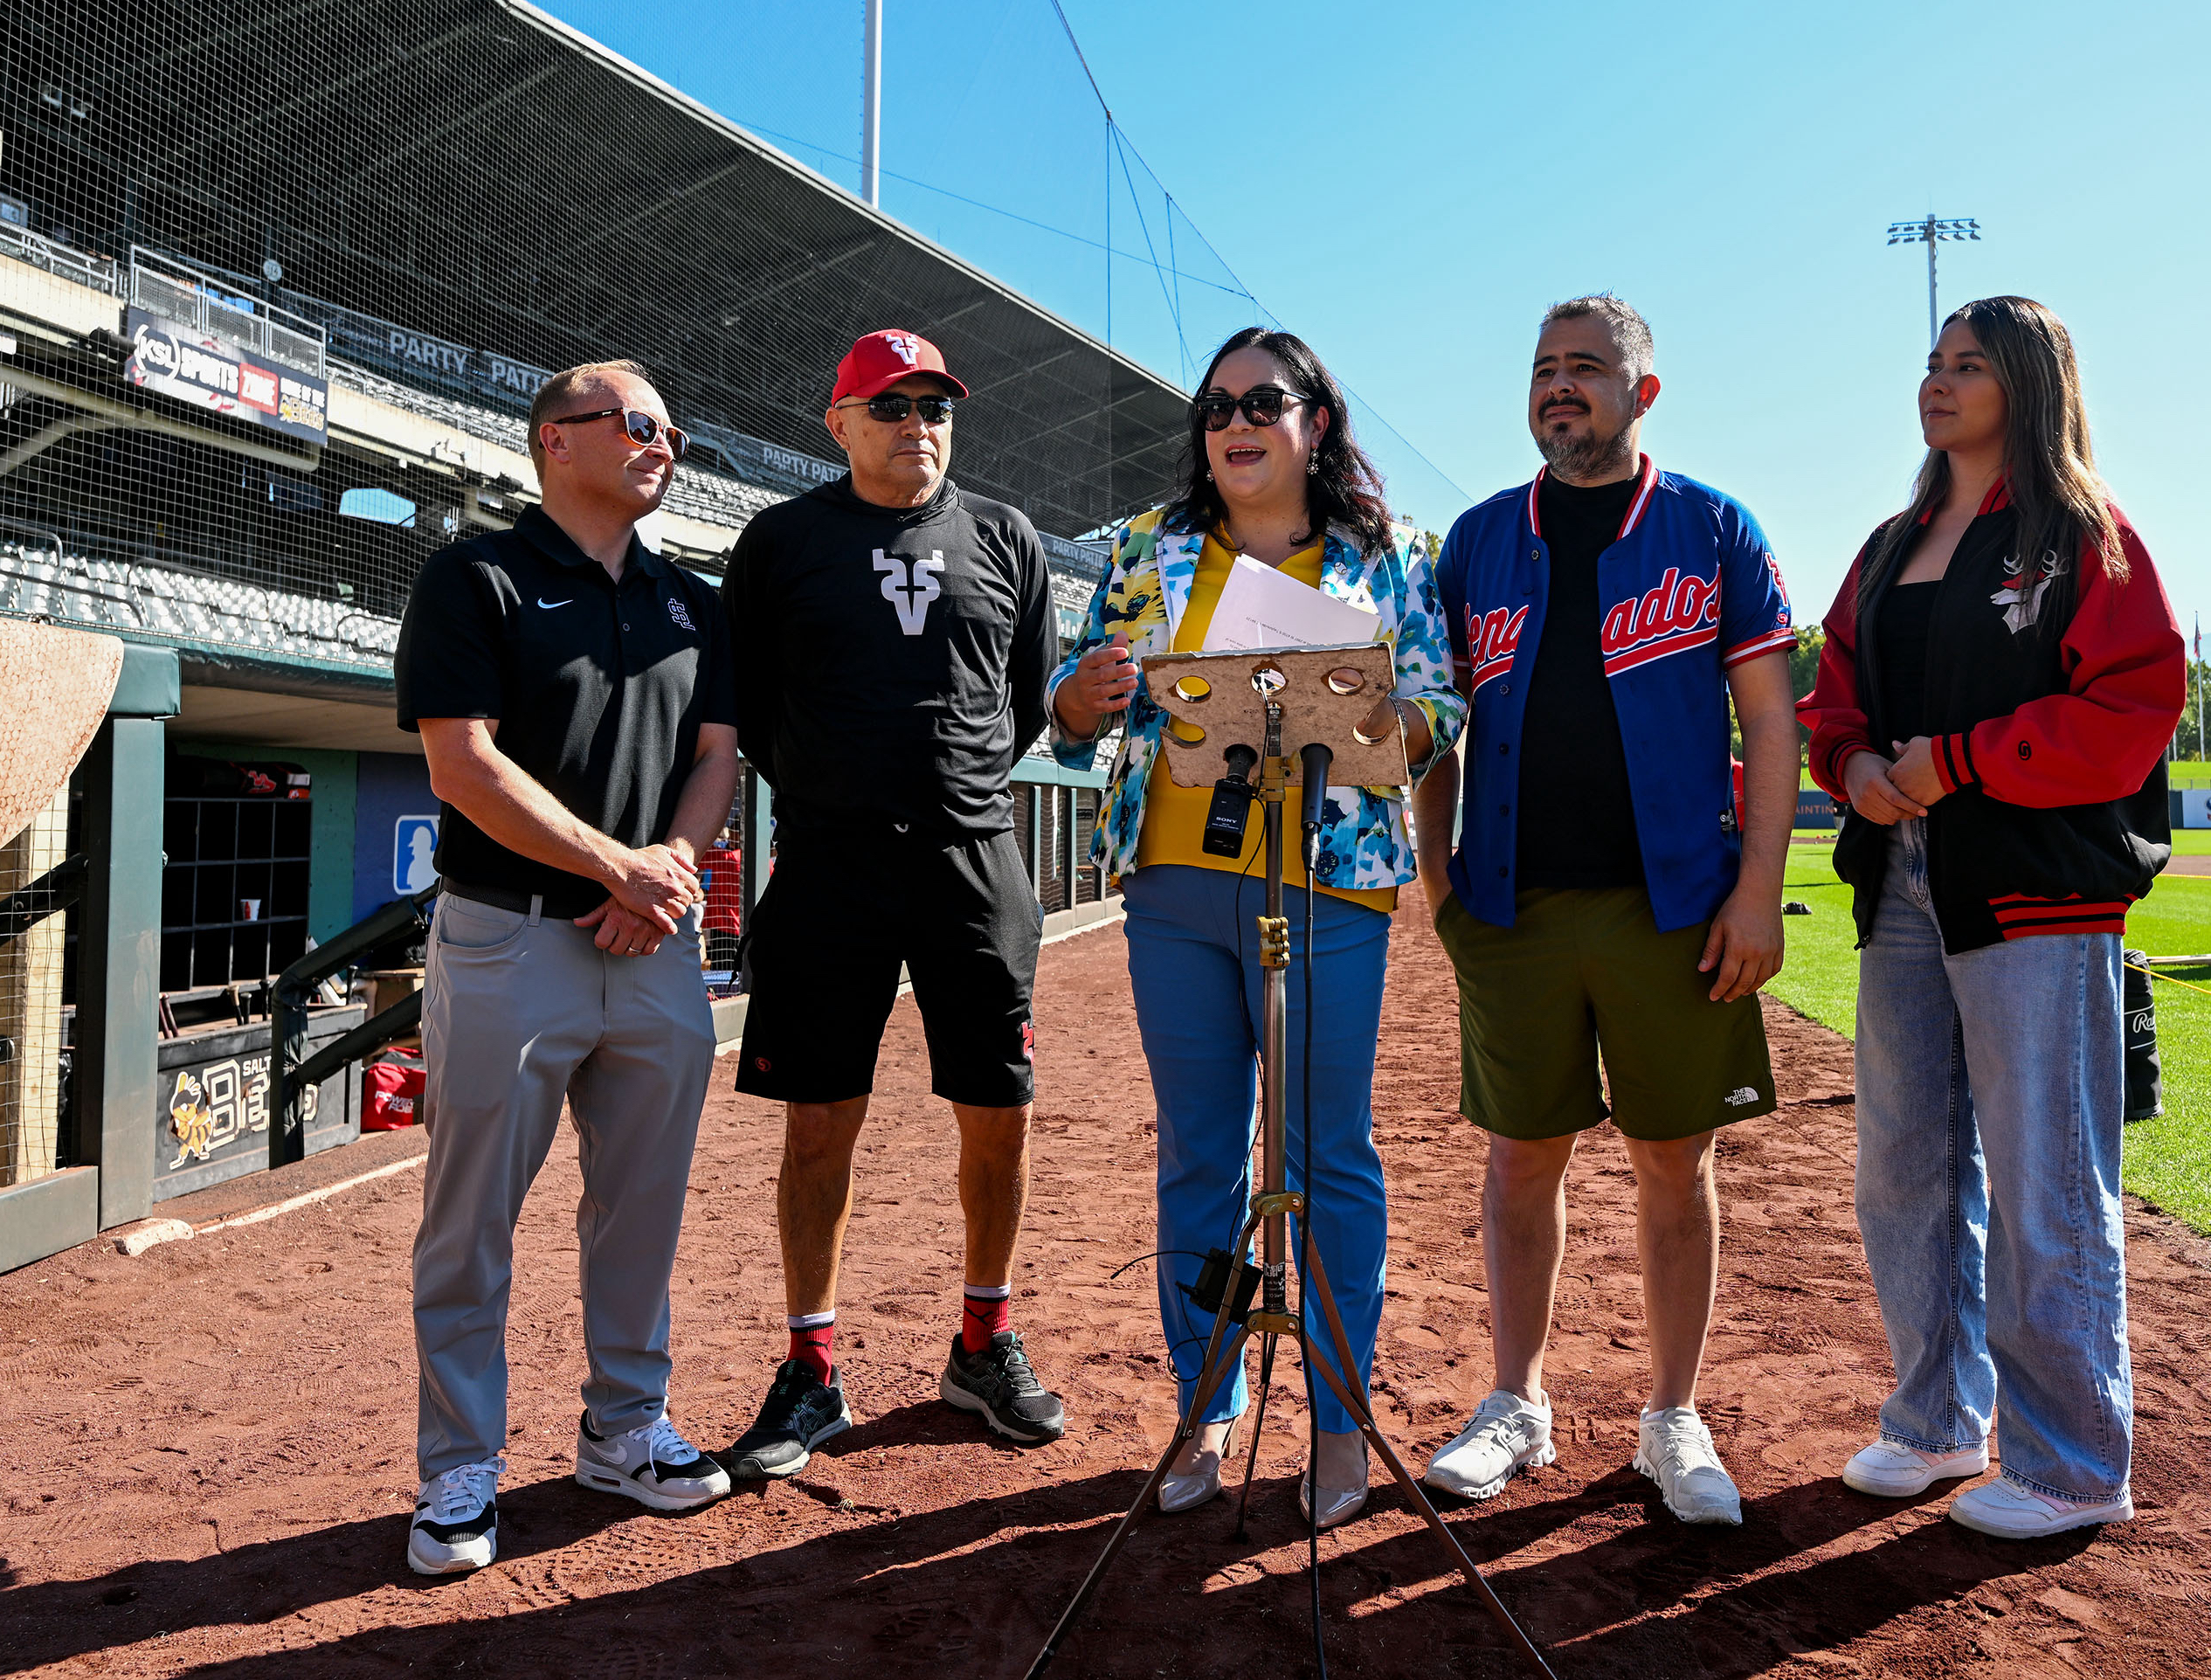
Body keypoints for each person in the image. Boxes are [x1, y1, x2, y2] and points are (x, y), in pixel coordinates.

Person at [1047, 327, 1464, 1527]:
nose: (1236, 421)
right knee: (1199, 1157)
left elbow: (1441, 702)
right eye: (1217, 405)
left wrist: (1387, 722)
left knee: (1328, 1156)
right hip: (1175, 886)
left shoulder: (1389, 561)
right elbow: (1078, 710)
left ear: (1315, 422)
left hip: (1330, 888)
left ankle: (1340, 1425)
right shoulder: (1146, 550)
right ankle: (1206, 1401)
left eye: (1263, 401)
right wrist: (1081, 699)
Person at [1409, 294, 1800, 1527]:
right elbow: (1430, 721)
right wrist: (1437, 877)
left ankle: (1671, 1418)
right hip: (1513, 902)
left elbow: (1774, 724)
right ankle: (1515, 1403)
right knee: (1521, 1157)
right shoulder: (1475, 541)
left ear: (1644, 393)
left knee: (1673, 1163)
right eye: (1543, 369)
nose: (1559, 387)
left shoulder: (1712, 528)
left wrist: (1757, 892)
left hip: (1674, 901)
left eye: (1586, 368)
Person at [1798, 295, 2182, 1539]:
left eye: (1968, 364)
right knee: (1901, 1169)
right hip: (1900, 882)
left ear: (2027, 382)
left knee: (2045, 1182)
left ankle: (2075, 1466)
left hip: (2036, 887)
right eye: (1932, 363)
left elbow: (2129, 710)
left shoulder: (2085, 533)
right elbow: (1833, 700)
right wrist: (1853, 768)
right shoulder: (1889, 540)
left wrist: (1958, 760)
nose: (1939, 380)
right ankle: (1935, 1421)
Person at [395, 358, 740, 1577]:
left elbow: (716, 757)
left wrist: (671, 874)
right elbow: (462, 767)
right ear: (557, 440)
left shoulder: (693, 599)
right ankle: (458, 1468)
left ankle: (624, 1427)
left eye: (672, 429)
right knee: (471, 1218)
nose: (664, 444)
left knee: (641, 1208)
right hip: (508, 936)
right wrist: (617, 869)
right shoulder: (475, 575)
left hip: (653, 944)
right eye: (639, 424)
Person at [721, 328, 1064, 1476]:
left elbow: (1019, 708)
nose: (917, 421)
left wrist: (943, 785)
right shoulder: (780, 542)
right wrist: (843, 789)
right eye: (891, 403)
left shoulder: (1007, 537)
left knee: (999, 1108)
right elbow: (752, 712)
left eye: (936, 405)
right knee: (819, 1122)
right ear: (840, 421)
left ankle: (984, 1340)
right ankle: (811, 1370)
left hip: (973, 854)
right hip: (827, 864)